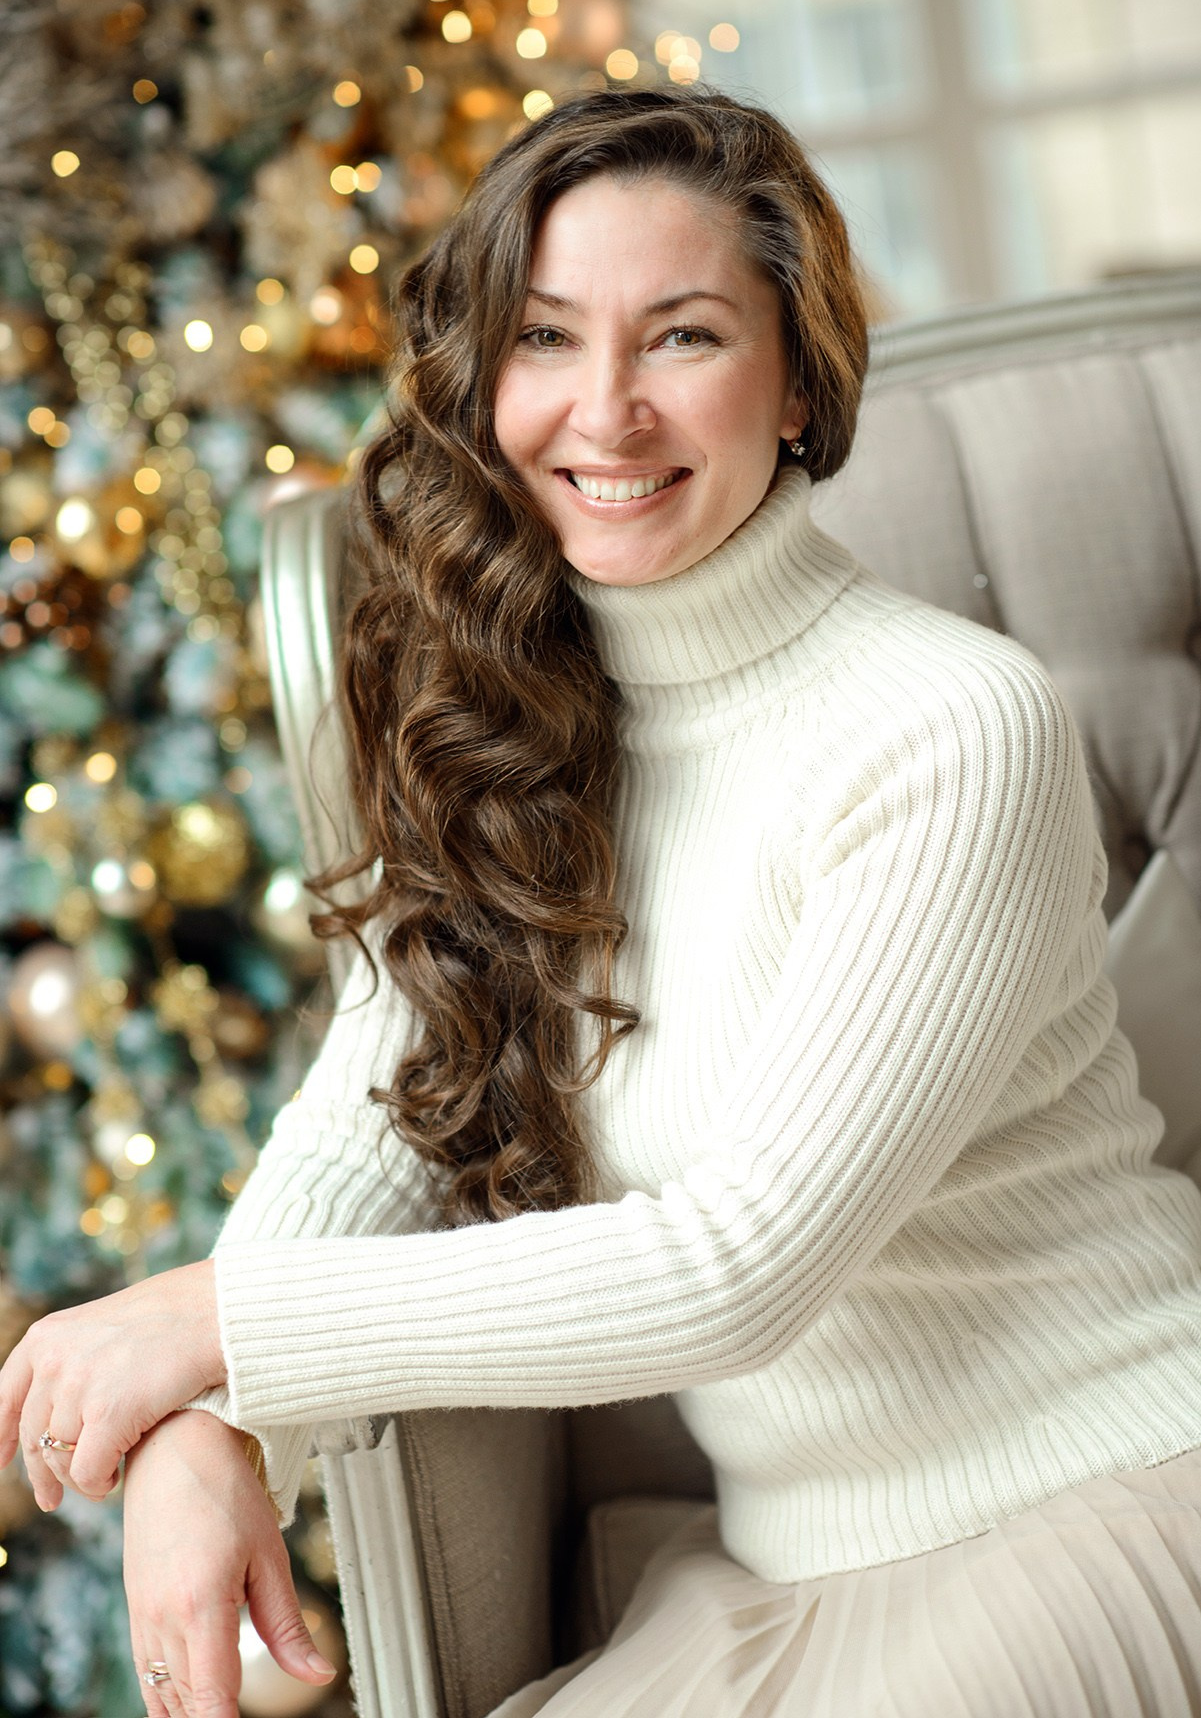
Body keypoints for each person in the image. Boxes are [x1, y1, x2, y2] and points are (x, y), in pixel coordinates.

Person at [3, 83, 1201, 1718]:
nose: (606, 411)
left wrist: (216, 1324)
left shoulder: (946, 726)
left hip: (1099, 1505)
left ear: (797, 382)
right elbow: (376, 1126)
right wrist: (221, 1432)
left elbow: (741, 1268)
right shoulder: (506, 718)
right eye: (546, 339)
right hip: (783, 1566)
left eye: (686, 337)